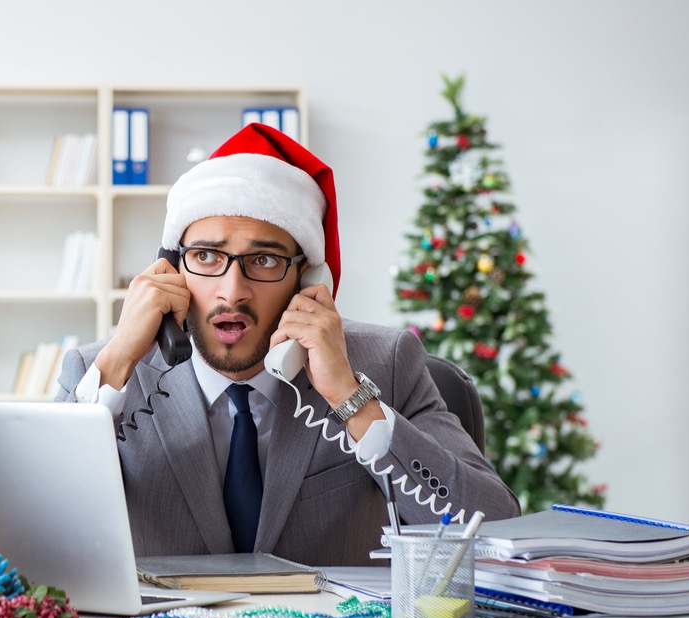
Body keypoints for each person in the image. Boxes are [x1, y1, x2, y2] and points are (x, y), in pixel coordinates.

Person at [54, 123, 520, 566]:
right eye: (206, 257)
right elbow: (31, 535)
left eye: (263, 259)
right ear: (172, 269)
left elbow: (496, 532)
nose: (232, 290)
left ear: (307, 279)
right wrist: (115, 363)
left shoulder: (387, 363)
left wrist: (350, 399)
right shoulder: (101, 373)